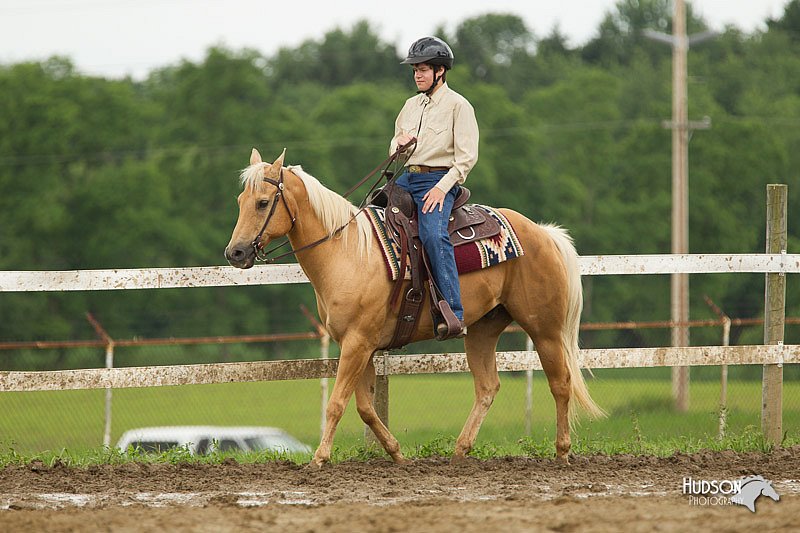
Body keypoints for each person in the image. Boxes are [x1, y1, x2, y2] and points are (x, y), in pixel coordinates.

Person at [389, 36, 479, 340]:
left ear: (440, 71)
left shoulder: (459, 106)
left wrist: (442, 188)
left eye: (423, 69)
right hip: (407, 177)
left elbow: (466, 158)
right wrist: (397, 145)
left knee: (432, 234)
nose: (417, 74)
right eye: (415, 69)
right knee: (372, 217)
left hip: (438, 180)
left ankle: (453, 311)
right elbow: (396, 143)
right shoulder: (410, 106)